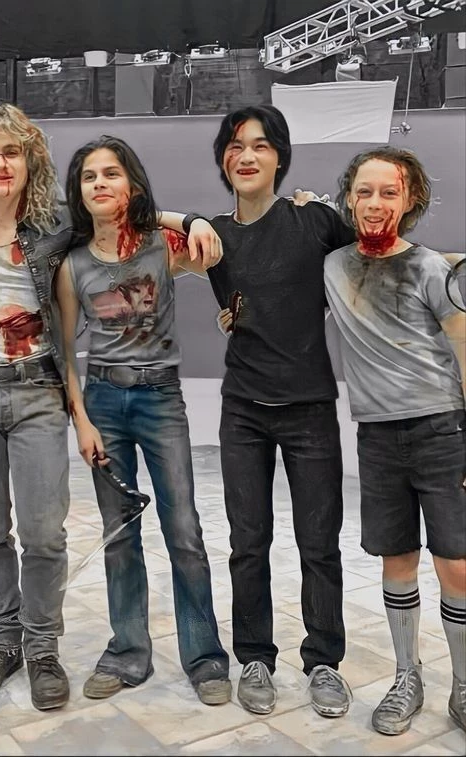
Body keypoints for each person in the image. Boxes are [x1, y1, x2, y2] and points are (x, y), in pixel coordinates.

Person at [0, 105, 221, 712]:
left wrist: (189, 216)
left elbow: (124, 212)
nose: (0, 163)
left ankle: (44, 649)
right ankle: (2, 645)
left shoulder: (55, 220)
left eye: (12, 152)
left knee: (48, 532)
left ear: (31, 159)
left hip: (41, 392)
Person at [54, 135, 230, 705]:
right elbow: (64, 352)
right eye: (89, 177)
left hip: (161, 400)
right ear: (79, 192)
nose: (100, 183)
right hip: (104, 401)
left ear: (131, 183)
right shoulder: (73, 265)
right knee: (119, 534)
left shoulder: (160, 246)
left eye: (112, 173)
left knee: (185, 531)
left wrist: (190, 219)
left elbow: (214, 252)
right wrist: (81, 420)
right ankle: (128, 651)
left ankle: (205, 656)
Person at [208, 105, 355, 718]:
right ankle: (255, 658)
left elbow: (375, 250)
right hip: (243, 409)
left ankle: (323, 661)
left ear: (280, 157)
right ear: (223, 158)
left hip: (310, 408)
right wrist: (189, 219)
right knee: (248, 542)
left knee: (319, 543)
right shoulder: (213, 234)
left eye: (261, 145)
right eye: (236, 145)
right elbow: (137, 226)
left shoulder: (314, 220)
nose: (247, 155)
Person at [323, 146, 466, 735]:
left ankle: (464, 686)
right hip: (377, 437)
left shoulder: (432, 268)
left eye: (390, 191)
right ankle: (408, 676)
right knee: (397, 559)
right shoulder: (333, 266)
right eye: (365, 191)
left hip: (442, 428)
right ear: (349, 198)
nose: (376, 202)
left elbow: (464, 347)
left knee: (457, 564)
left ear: (411, 201)